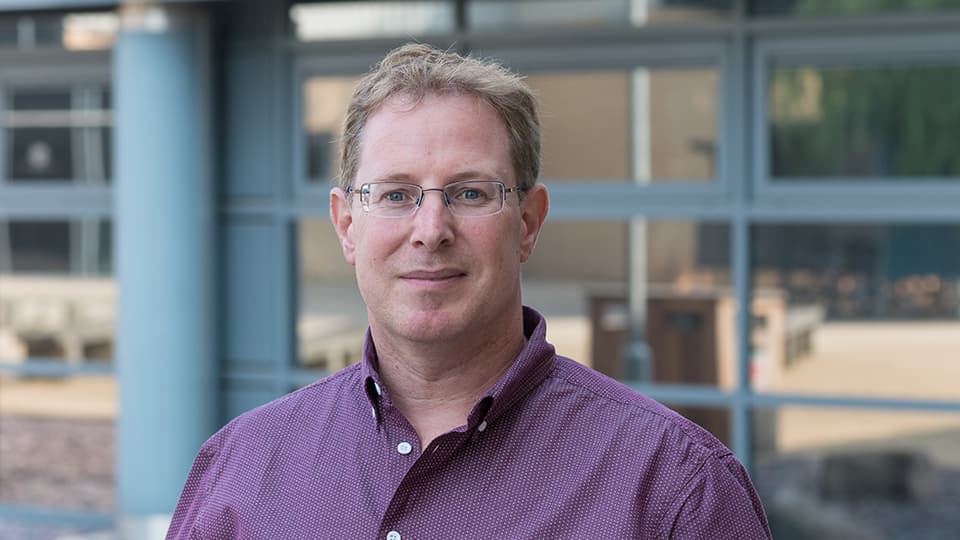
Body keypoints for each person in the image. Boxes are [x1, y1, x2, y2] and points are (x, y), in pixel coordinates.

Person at [166, 43, 771, 539]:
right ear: (347, 225)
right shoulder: (239, 472)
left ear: (528, 222)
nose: (431, 231)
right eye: (396, 194)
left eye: (471, 193)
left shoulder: (675, 489)